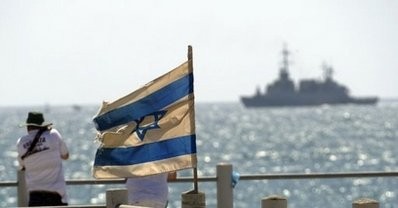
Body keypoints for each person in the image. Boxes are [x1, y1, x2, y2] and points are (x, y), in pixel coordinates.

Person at [16, 112, 69, 206]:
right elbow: (66, 155)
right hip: (56, 195)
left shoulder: (21, 142)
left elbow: (22, 165)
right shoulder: (53, 135)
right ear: (42, 125)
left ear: (28, 127)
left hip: (34, 196)